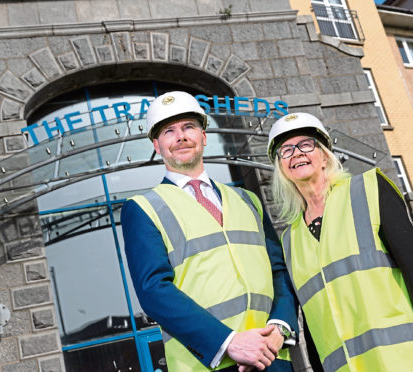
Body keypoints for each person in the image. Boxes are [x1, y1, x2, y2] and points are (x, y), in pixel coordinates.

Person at [268, 112, 413, 372]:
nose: (296, 153)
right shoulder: (290, 239)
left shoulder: (370, 189)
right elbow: (311, 321)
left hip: (405, 361)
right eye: (285, 150)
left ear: (325, 155)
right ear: (280, 167)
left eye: (306, 145)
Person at [121, 91, 299, 372]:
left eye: (188, 127)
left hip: (271, 358)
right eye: (169, 131)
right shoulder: (142, 209)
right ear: (157, 145)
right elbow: (154, 291)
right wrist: (228, 342)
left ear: (204, 136)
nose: (180, 137)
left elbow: (278, 271)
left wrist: (281, 326)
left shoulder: (248, 200)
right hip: (208, 365)